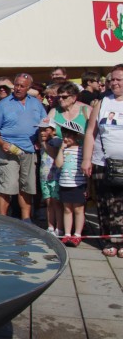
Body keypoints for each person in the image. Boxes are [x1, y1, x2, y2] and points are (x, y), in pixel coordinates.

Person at [0, 73, 47, 221]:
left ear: (28, 88)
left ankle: (26, 219)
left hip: (29, 150)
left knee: (26, 187)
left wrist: (42, 137)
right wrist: (2, 143)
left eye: (22, 86)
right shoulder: (4, 104)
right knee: (6, 186)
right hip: (9, 150)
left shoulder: (36, 104)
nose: (18, 88)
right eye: (16, 85)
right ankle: (3, 220)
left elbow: (45, 124)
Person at [81, 64, 123, 258]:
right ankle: (109, 240)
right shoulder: (102, 103)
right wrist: (87, 159)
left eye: (119, 79)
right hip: (103, 161)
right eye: (112, 79)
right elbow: (90, 132)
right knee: (105, 202)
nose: (114, 83)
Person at [56, 122, 86, 247]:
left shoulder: (81, 149)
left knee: (79, 209)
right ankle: (67, 233)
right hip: (65, 183)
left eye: (69, 136)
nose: (65, 138)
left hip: (78, 184)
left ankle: (77, 234)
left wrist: (88, 186)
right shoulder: (64, 150)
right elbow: (58, 164)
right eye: (64, 135)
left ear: (77, 137)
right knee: (67, 209)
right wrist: (61, 149)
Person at [37, 118, 63, 235]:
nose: (42, 132)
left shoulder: (56, 141)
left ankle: (60, 227)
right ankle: (50, 226)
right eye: (40, 130)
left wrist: (44, 144)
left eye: (45, 130)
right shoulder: (43, 142)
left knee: (56, 202)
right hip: (45, 177)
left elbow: (54, 155)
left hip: (55, 177)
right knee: (48, 202)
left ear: (53, 131)